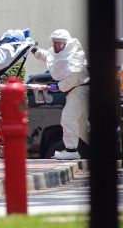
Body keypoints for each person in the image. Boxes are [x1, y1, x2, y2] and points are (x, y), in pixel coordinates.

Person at [32, 29, 90, 160]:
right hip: (75, 92)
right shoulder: (61, 53)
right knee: (81, 128)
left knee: (68, 118)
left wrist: (58, 87)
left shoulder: (75, 55)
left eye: (56, 43)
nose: (53, 46)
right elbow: (48, 56)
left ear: (63, 43)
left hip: (80, 90)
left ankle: (71, 151)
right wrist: (34, 51)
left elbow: (74, 77)